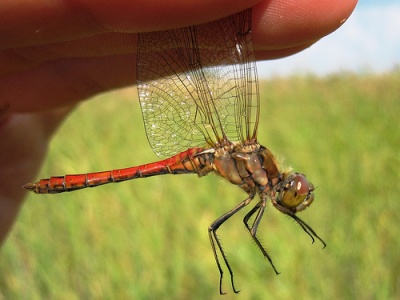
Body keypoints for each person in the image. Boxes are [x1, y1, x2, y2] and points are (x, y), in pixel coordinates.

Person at [0, 0, 357, 244]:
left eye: (297, 193)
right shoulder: (260, 176)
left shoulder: (264, 188)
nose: (296, 192)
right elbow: (251, 225)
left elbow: (253, 222)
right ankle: (50, 185)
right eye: (297, 189)